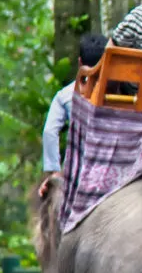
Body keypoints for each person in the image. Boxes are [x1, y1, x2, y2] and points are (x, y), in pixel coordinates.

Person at [40, 32, 108, 192]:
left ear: (80, 63)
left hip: (81, 168)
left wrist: (54, 171)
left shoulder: (65, 96)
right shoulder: (121, 91)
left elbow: (49, 132)